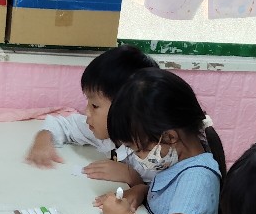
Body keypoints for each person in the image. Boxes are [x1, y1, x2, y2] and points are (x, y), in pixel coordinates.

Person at [93, 68, 226, 214]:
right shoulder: (176, 161)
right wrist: (141, 190)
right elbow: (169, 198)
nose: (138, 157)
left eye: (141, 150)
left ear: (170, 137)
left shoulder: (198, 176)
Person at [25, 45, 157, 186]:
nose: (86, 112)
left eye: (94, 106)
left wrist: (132, 177)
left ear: (127, 110)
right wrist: (43, 138)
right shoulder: (106, 132)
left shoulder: (157, 156)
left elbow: (159, 197)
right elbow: (63, 124)